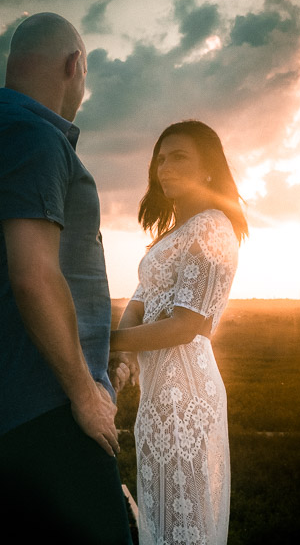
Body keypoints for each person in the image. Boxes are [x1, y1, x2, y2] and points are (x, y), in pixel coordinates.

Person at [0, 12, 132, 545]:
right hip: (51, 411)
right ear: (75, 65)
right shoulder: (34, 138)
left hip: (14, 408)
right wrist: (84, 394)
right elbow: (33, 275)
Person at [110, 120, 248, 545]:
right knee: (159, 516)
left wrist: (103, 343)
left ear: (209, 168)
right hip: (156, 397)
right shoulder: (172, 236)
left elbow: (186, 326)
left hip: (185, 393)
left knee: (183, 522)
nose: (164, 167)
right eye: (161, 158)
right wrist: (121, 355)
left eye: (179, 157)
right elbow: (136, 307)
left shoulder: (212, 226)